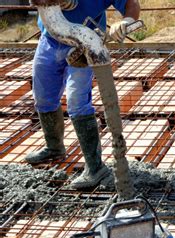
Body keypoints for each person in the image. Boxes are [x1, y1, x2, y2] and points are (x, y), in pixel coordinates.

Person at [26, 0, 140, 189]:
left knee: (77, 101)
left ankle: (95, 167)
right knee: (43, 97)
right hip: (50, 39)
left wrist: (126, 22)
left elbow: (132, 5)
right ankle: (54, 147)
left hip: (84, 43)